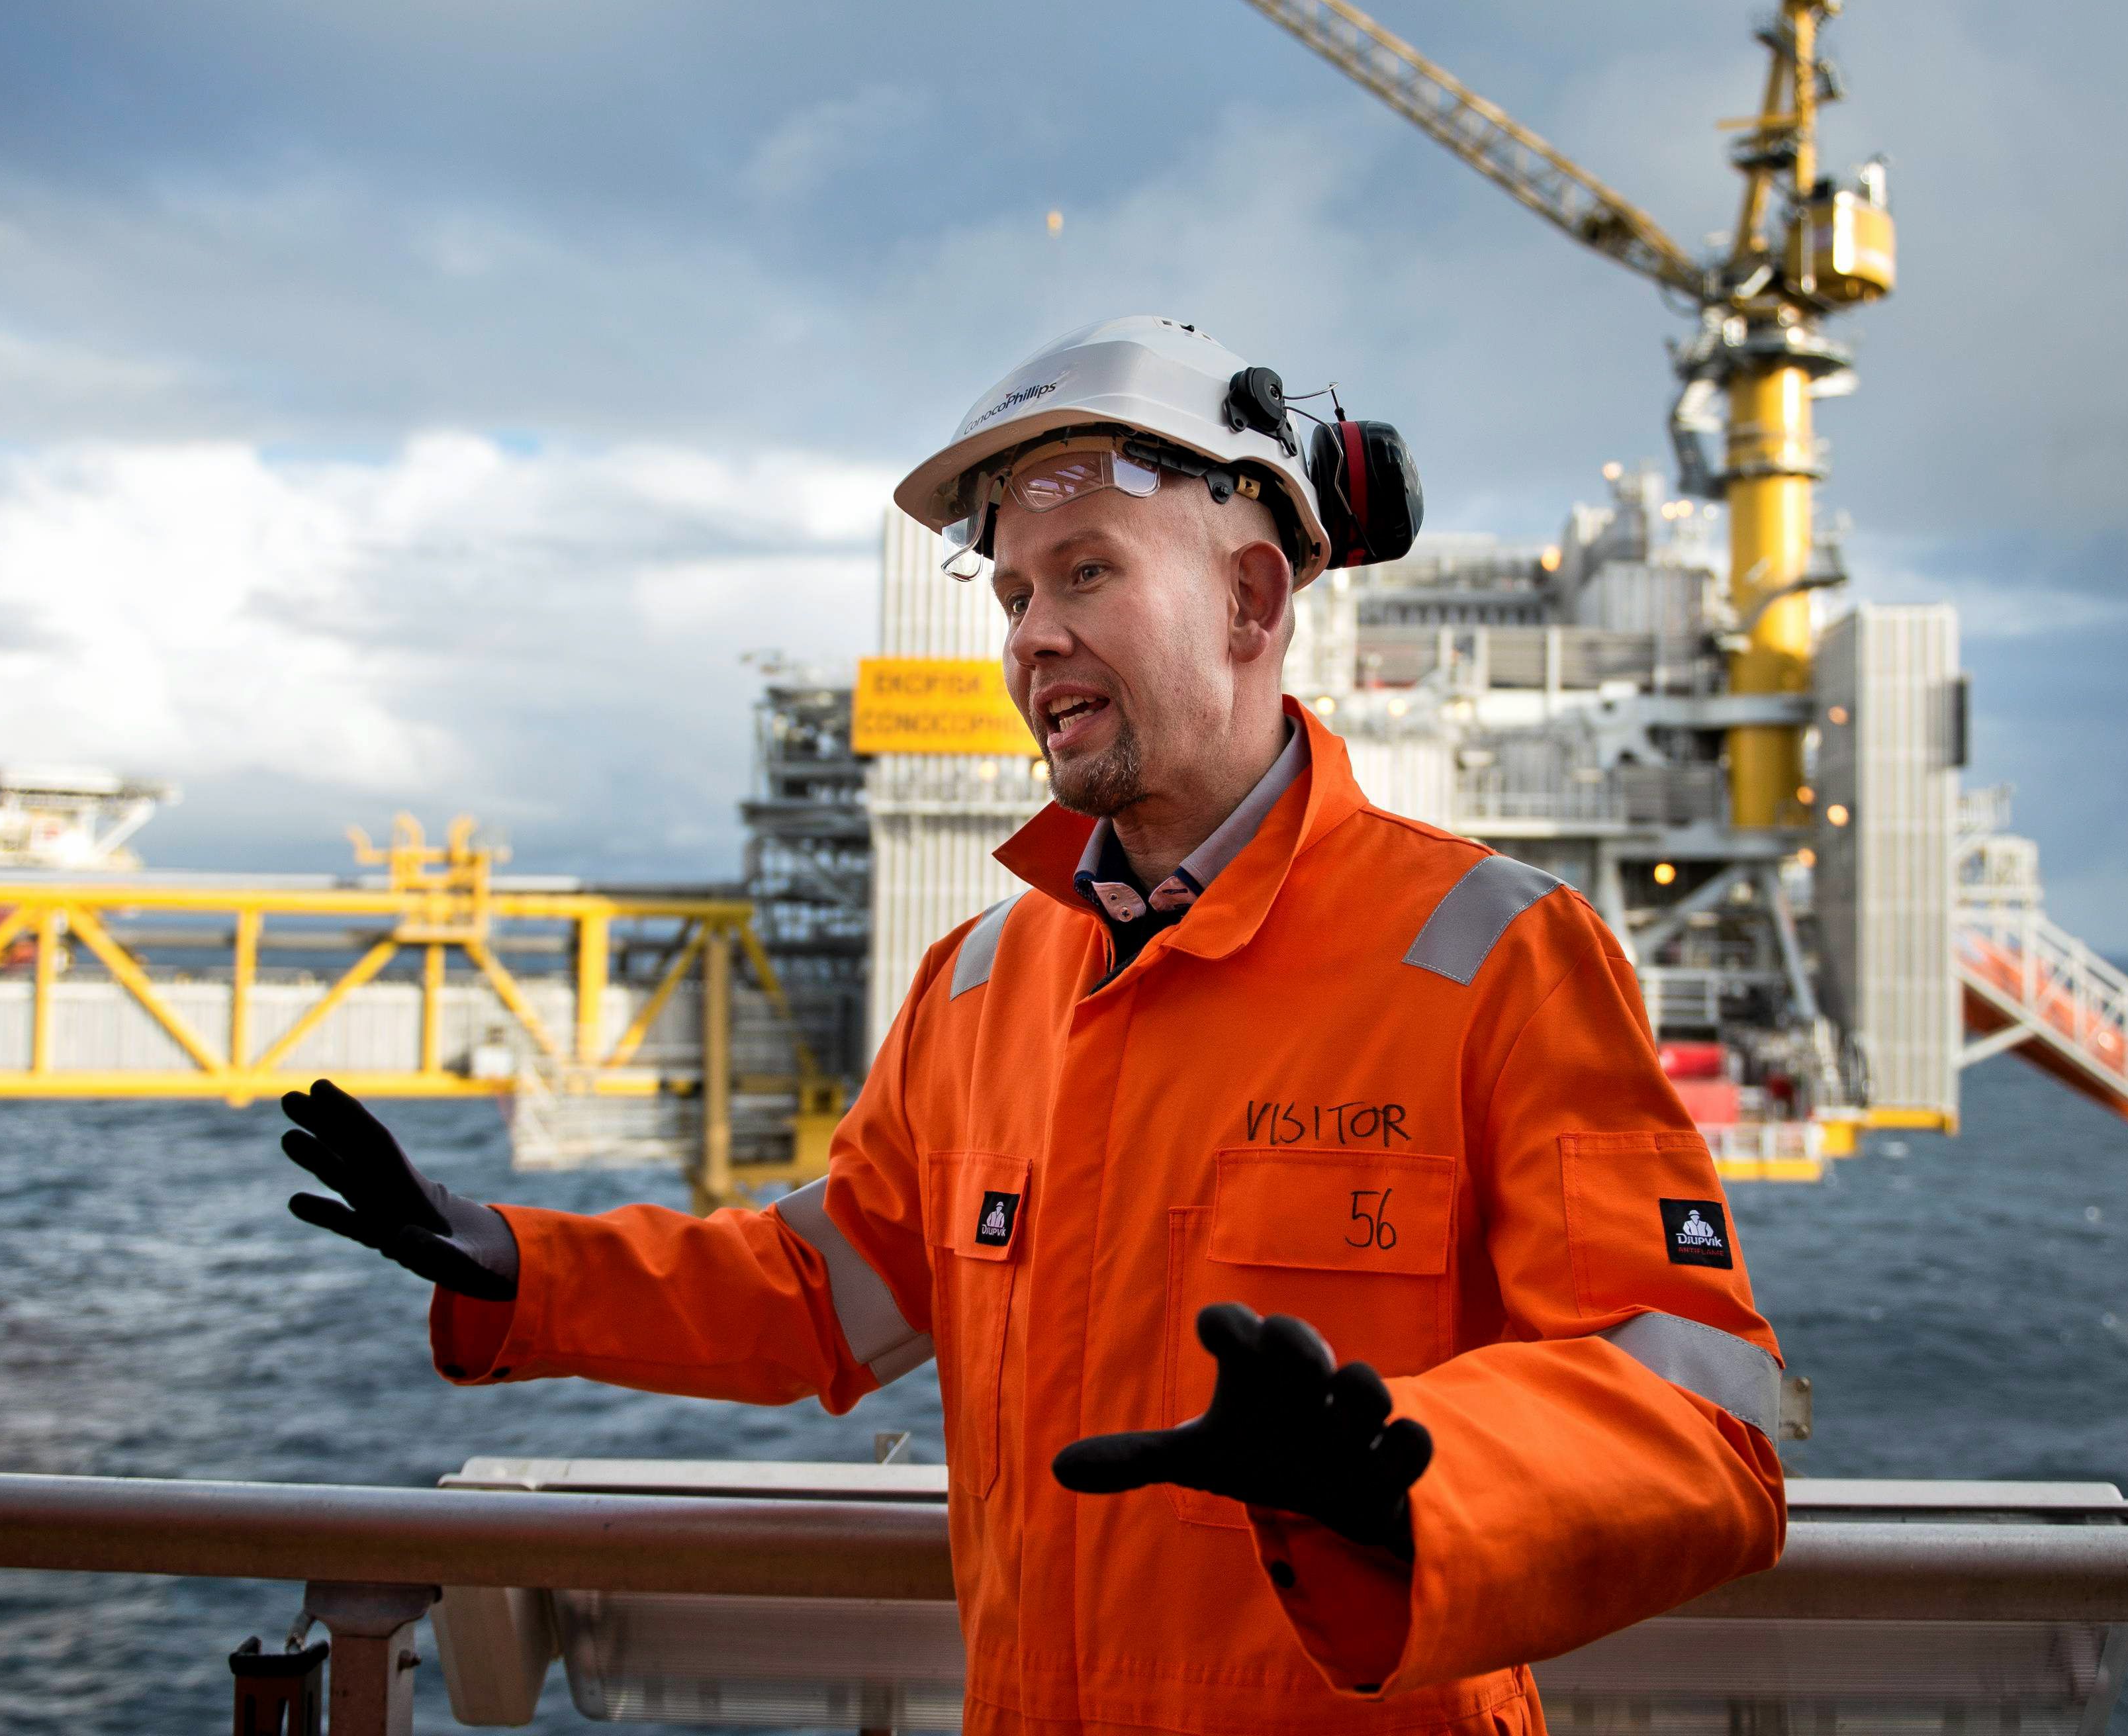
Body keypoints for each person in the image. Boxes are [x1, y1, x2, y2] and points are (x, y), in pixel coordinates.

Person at [285, 316, 1786, 1734]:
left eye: (1086, 574)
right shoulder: (980, 986)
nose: (1033, 639)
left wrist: (1399, 1493)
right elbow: (820, 1288)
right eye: (1013, 596)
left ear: (1253, 600)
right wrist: (521, 1267)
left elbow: (1704, 1415)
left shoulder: (1497, 958)